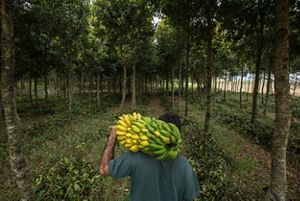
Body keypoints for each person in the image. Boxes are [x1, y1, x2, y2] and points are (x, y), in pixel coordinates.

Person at [99, 112, 200, 201]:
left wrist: (112, 139)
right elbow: (189, 198)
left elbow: (104, 169)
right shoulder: (184, 164)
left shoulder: (136, 156)